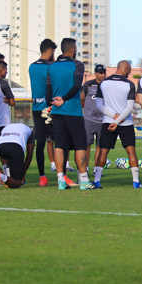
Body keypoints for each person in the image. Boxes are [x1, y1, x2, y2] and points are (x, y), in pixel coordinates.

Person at [48, 38, 91, 190]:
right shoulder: (77, 64)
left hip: (57, 112)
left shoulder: (52, 66)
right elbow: (77, 85)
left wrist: (51, 104)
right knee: (80, 145)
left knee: (60, 145)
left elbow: (48, 88)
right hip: (72, 111)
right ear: (72, 50)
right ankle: (84, 181)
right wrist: (64, 99)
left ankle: (60, 180)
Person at [94, 60, 142, 188]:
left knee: (103, 152)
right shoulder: (129, 84)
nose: (130, 73)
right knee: (131, 152)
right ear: (126, 69)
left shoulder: (104, 83)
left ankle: (96, 181)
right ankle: (136, 182)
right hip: (125, 123)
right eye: (129, 70)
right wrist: (118, 120)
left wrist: (113, 117)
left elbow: (99, 105)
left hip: (108, 122)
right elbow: (129, 108)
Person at [29, 39, 57, 186]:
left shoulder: (32, 67)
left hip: (36, 109)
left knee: (40, 143)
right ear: (50, 51)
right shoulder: (51, 68)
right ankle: (61, 175)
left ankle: (42, 177)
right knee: (59, 141)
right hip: (49, 109)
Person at [0, 123, 35, 190]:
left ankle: (0, 175)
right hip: (16, 148)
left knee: (10, 175)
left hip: (1, 147)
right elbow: (29, 155)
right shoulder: (29, 131)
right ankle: (1, 176)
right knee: (17, 183)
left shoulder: (5, 128)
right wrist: (22, 174)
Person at [81, 65, 106, 177]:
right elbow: (82, 99)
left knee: (100, 147)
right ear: (95, 73)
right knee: (86, 145)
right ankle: (84, 168)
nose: (103, 75)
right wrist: (87, 111)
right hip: (89, 120)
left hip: (103, 120)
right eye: (100, 73)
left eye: (104, 73)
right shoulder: (88, 85)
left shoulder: (107, 85)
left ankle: (97, 169)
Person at [0, 60, 16, 141]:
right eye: (6, 70)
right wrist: (8, 101)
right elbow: (12, 102)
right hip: (2, 122)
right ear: (1, 69)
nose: (6, 72)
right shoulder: (3, 84)